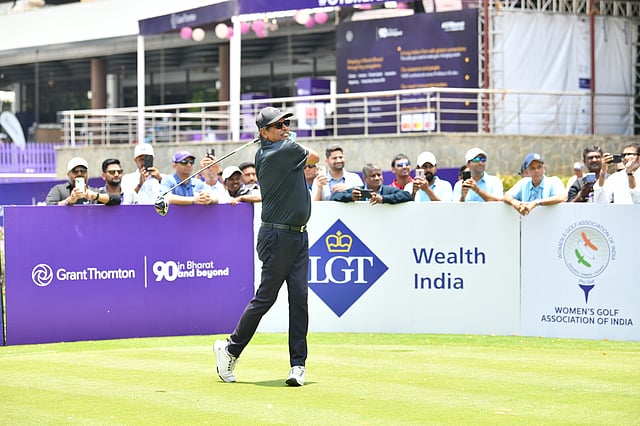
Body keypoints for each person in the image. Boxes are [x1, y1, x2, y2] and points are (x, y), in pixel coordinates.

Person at [214, 106, 320, 387]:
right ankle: (230, 349)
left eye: (286, 124)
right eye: (278, 126)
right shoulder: (281, 151)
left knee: (299, 299)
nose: (285, 128)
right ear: (264, 132)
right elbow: (315, 157)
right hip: (277, 237)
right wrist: (290, 139)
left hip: (298, 236)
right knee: (266, 298)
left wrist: (285, 138)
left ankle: (298, 365)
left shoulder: (275, 149)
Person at [45, 157, 121, 206]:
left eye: (83, 171)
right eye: (75, 171)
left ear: (87, 173)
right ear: (68, 174)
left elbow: (116, 199)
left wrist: (95, 196)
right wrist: (69, 201)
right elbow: (49, 207)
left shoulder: (93, 192)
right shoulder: (59, 190)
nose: (79, 174)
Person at [330, 163, 413, 204]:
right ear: (365, 179)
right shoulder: (358, 191)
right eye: (373, 176)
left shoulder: (388, 190)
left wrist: (383, 199)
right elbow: (334, 197)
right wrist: (351, 197)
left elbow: (407, 196)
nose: (377, 178)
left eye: (379, 175)